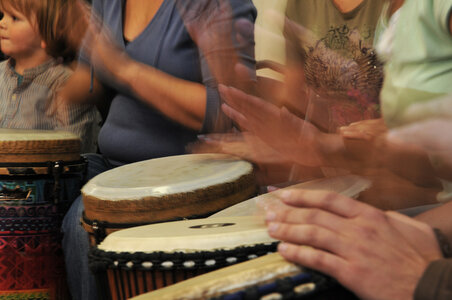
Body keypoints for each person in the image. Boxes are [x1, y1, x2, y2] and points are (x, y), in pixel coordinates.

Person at [59, 1, 257, 299]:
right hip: (113, 168)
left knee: (81, 220)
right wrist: (60, 88)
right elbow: (93, 79)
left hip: (192, 176)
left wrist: (125, 70)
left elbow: (229, 110)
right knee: (47, 191)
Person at [0, 0, 101, 153]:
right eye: (2, 15)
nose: (2, 23)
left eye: (15, 18)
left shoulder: (65, 85)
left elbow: (74, 150)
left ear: (48, 32)